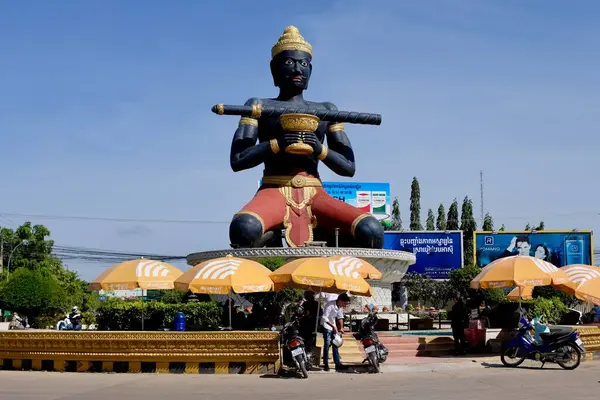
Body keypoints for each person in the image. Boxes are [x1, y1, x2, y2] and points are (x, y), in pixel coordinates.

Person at [227, 25, 384, 249]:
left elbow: (348, 167)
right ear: (274, 70)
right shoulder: (258, 106)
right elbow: (238, 160)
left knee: (371, 230)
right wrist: (277, 143)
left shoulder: (327, 110)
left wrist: (319, 149)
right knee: (244, 228)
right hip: (274, 189)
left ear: (311, 70)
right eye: (289, 63)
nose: (297, 69)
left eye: (304, 64)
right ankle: (269, 243)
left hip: (315, 193)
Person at [320, 293, 350, 371]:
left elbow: (339, 318)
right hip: (326, 326)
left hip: (333, 326)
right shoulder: (330, 305)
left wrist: (340, 328)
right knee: (327, 344)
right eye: (345, 303)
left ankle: (337, 363)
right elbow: (324, 318)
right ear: (340, 301)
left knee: (336, 343)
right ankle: (326, 364)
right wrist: (333, 327)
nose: (345, 305)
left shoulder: (339, 307)